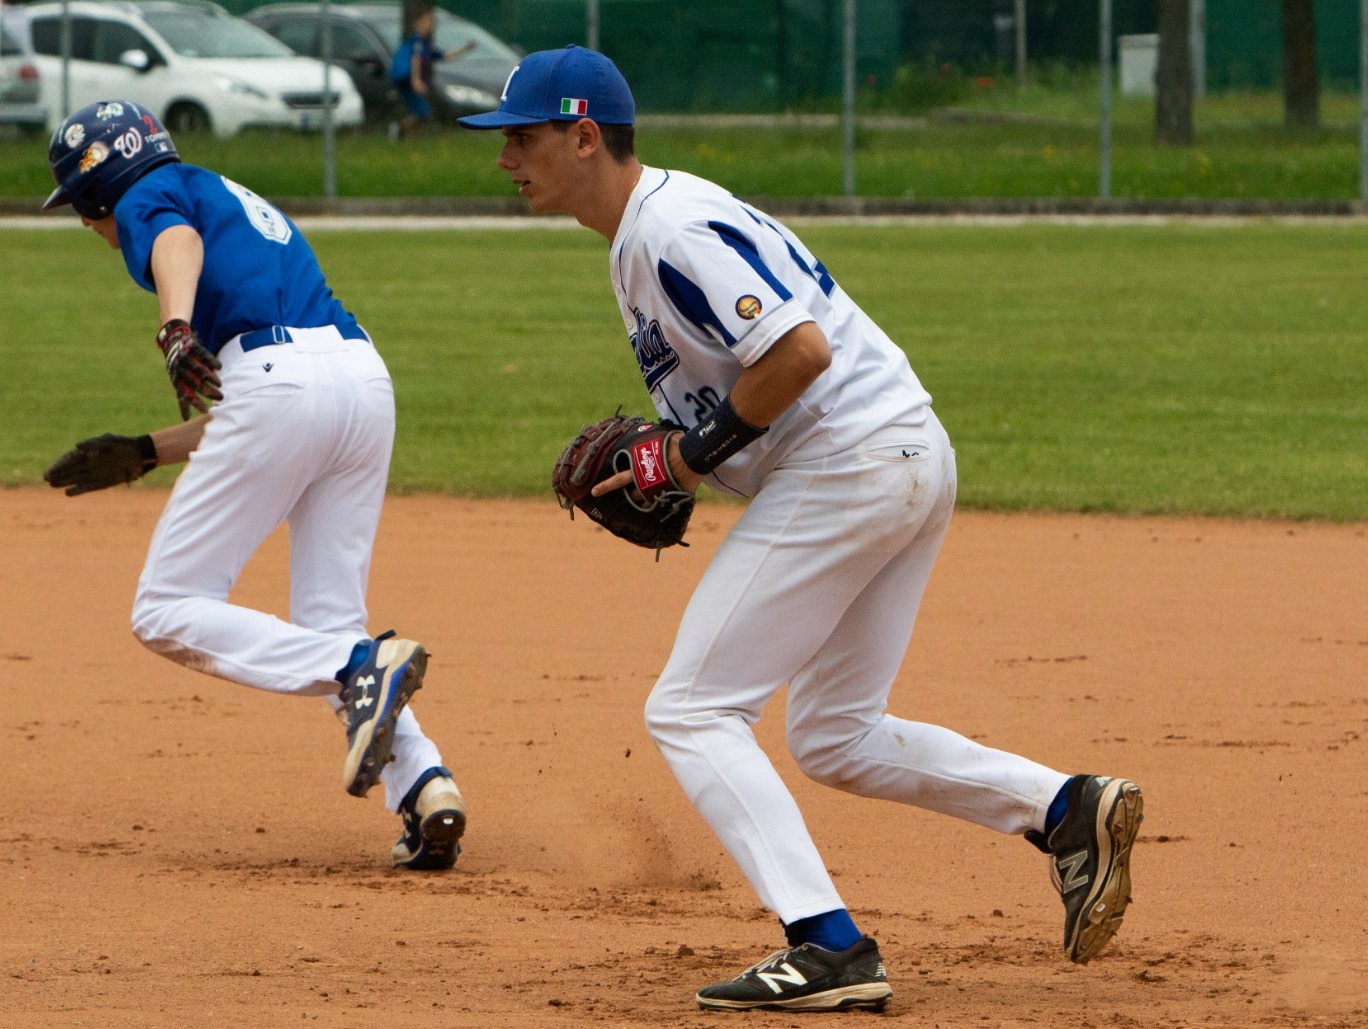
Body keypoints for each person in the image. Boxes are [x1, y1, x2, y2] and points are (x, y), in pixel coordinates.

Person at [458, 47, 1145, 1012]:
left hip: (852, 465)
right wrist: (687, 447)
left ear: (583, 135)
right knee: (833, 734)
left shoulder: (668, 228)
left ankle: (828, 946)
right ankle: (1065, 810)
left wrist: (687, 458)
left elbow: (799, 351)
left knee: (691, 708)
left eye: (523, 139)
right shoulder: (641, 230)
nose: (506, 159)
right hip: (899, 453)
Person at [40, 99, 467, 872]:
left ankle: (355, 668)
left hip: (283, 387)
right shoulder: (228, 191)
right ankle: (427, 785)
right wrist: (145, 450)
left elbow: (175, 243)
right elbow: (276, 392)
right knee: (329, 619)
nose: (88, 225)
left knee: (165, 608)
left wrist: (175, 327)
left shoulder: (147, 196)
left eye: (80, 206)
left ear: (102, 187)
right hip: (361, 381)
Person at [387, 5, 475, 140]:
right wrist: (415, 80)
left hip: (408, 80)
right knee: (422, 112)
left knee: (420, 112)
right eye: (427, 21)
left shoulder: (426, 44)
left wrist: (464, 49)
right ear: (418, 23)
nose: (430, 25)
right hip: (408, 80)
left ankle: (407, 138)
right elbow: (415, 59)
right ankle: (398, 129)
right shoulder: (417, 41)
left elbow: (443, 55)